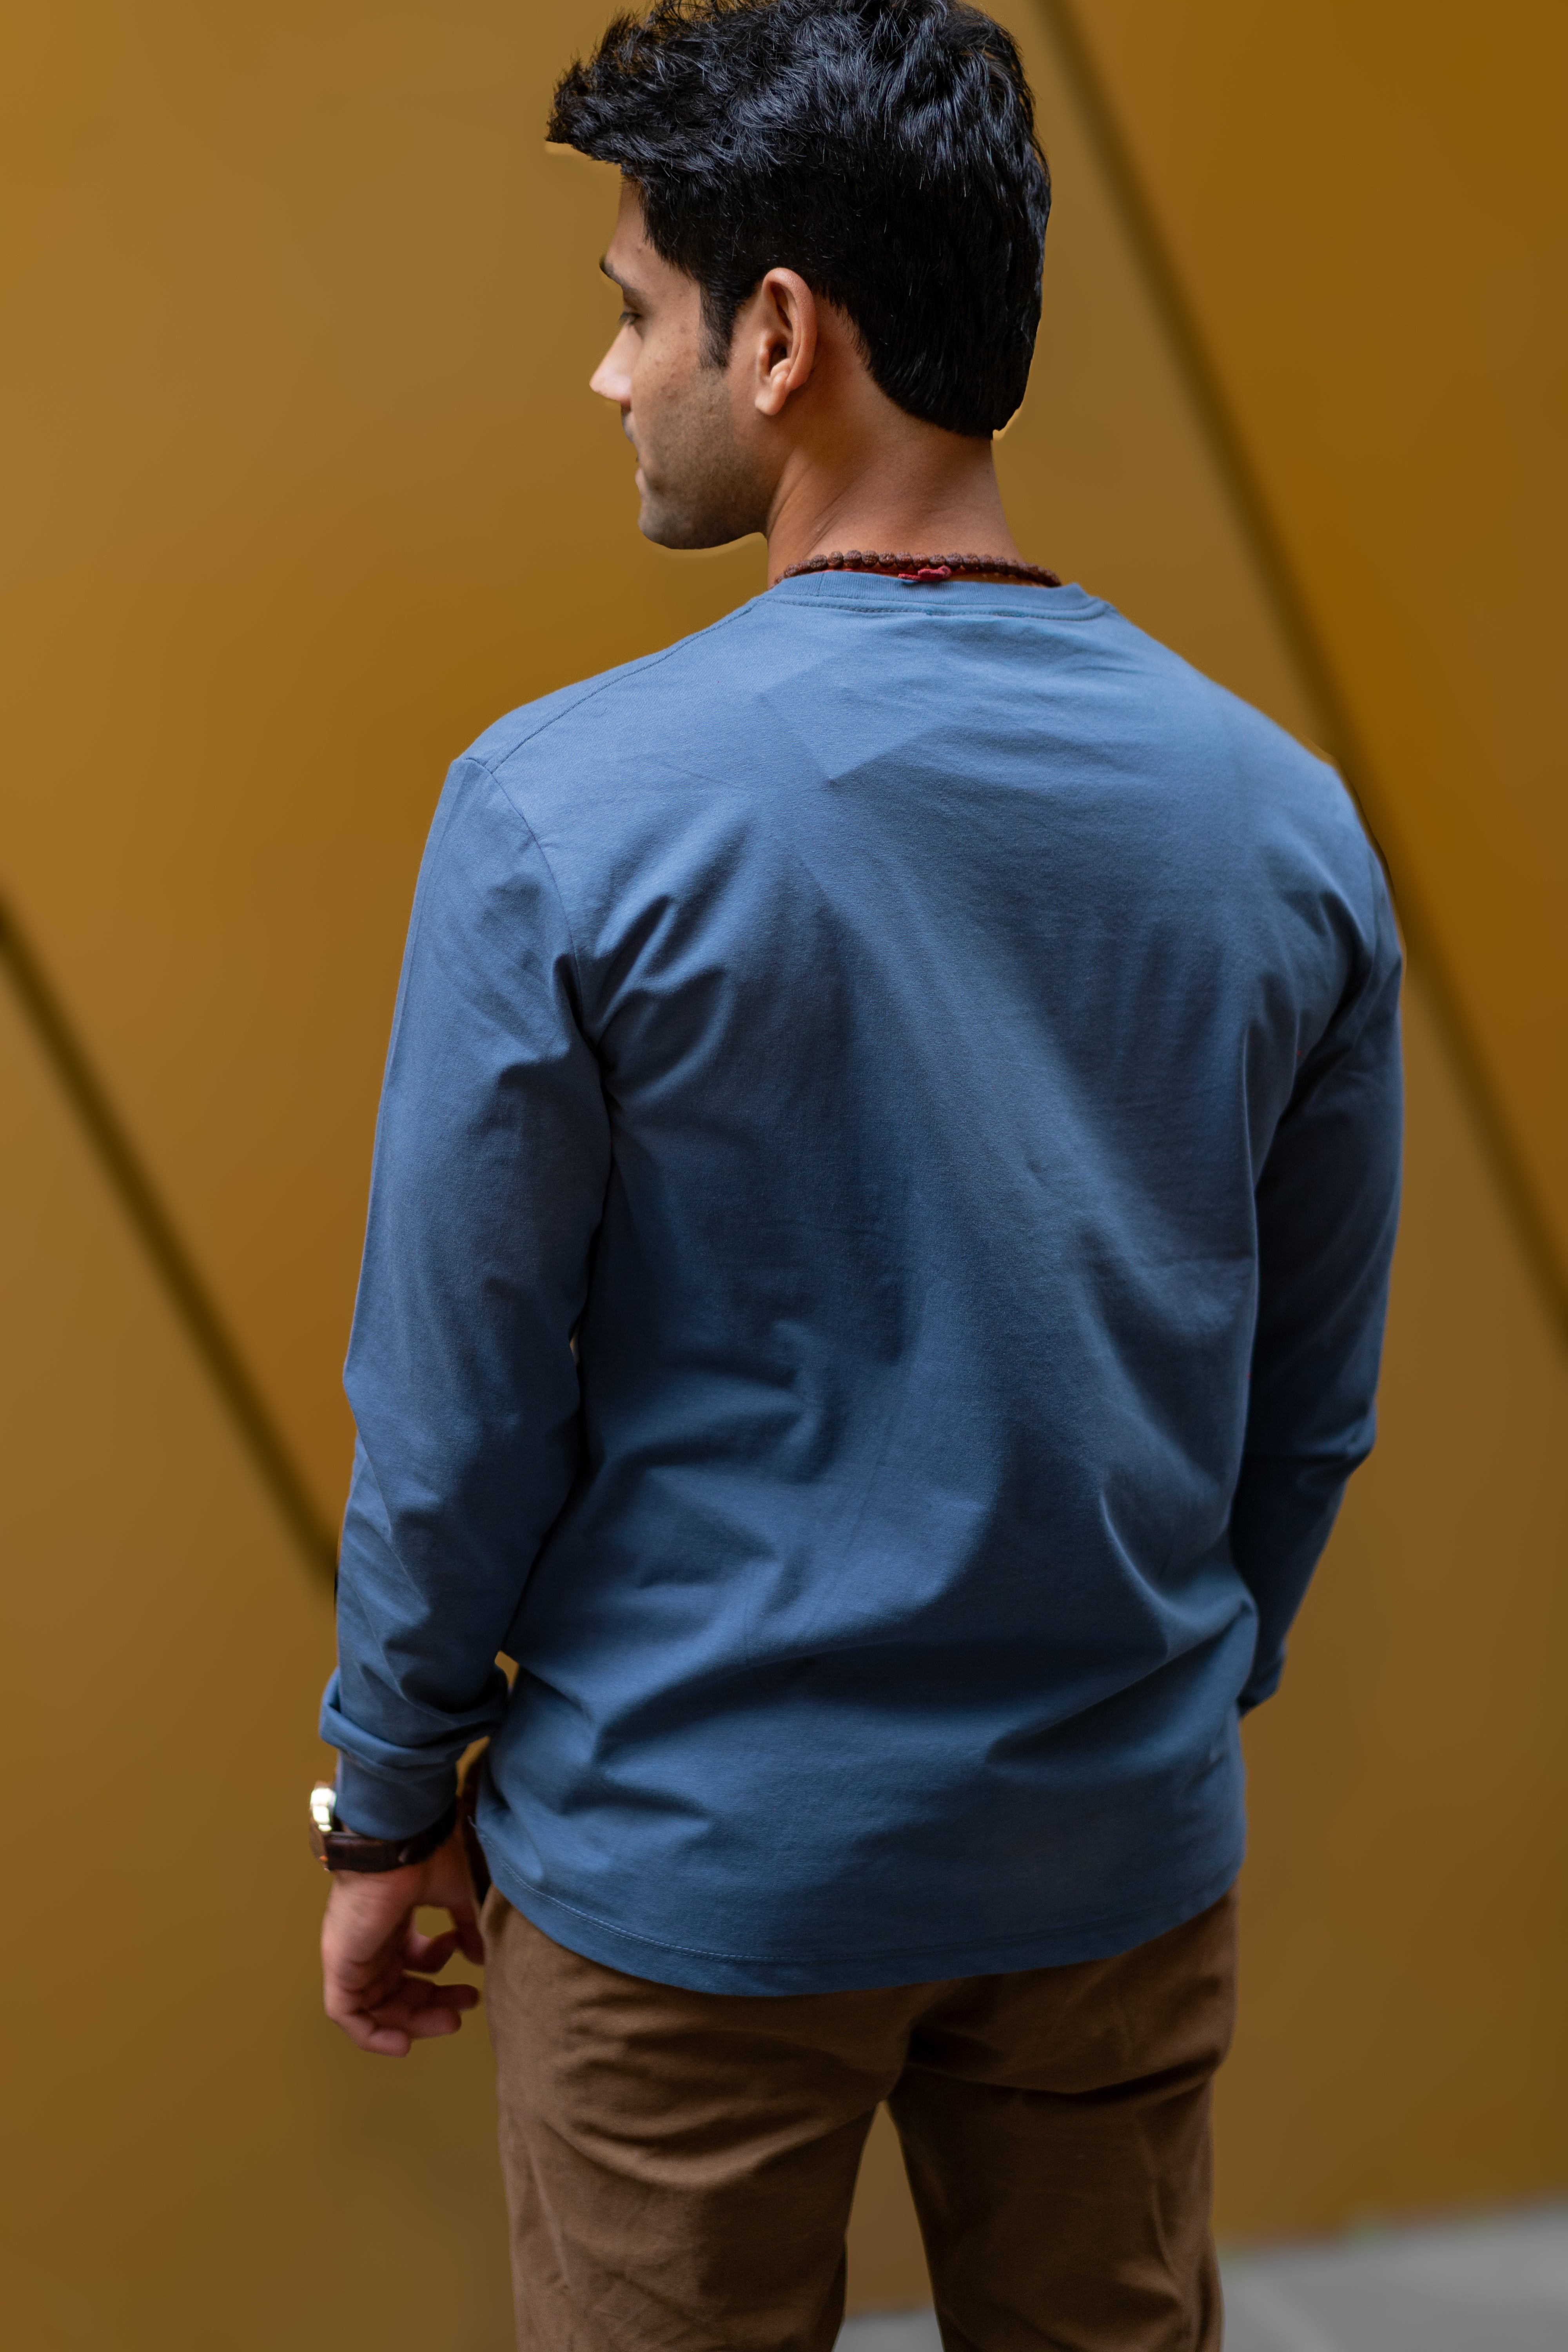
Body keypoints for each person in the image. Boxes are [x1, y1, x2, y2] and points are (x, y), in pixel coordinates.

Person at [314, 3, 1403, 2346]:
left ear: (781, 333)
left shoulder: (556, 814)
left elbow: (460, 1403)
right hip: (1115, 1853)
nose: (613, 378)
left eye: (632, 314)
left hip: (690, 1878)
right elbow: (1307, 1404)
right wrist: (1166, 1693)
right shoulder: (1287, 821)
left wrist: (384, 1797)